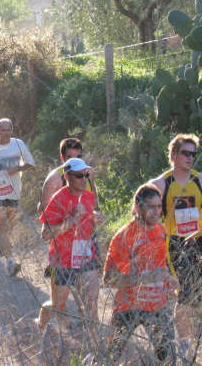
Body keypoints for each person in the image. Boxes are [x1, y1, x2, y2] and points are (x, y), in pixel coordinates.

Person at [103, 183, 178, 364]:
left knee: (168, 358)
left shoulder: (161, 231)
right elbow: (109, 279)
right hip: (128, 306)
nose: (156, 211)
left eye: (159, 206)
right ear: (138, 207)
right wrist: (144, 279)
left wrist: (169, 279)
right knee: (111, 356)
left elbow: (161, 267)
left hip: (157, 306)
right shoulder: (125, 236)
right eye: (151, 207)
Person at [36, 158, 105, 335]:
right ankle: (41, 324)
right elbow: (45, 235)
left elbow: (91, 222)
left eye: (86, 175)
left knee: (91, 304)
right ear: (67, 176)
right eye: (79, 175)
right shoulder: (58, 199)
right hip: (62, 260)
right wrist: (71, 221)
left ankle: (97, 352)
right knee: (58, 306)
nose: (84, 179)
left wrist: (97, 219)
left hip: (85, 257)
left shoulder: (89, 197)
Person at [150, 133, 202, 358]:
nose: (190, 158)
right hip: (176, 245)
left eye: (193, 154)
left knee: (197, 295)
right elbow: (143, 206)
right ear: (173, 154)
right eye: (185, 153)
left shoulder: (199, 180)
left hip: (199, 240)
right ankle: (184, 345)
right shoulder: (163, 183)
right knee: (185, 294)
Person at [0, 118, 35, 275]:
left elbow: (31, 163)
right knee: (4, 225)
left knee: (8, 226)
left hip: (13, 191)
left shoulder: (18, 144)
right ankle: (10, 262)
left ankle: (2, 246)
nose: (5, 133)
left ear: (12, 130)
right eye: (2, 130)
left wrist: (17, 168)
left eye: (8, 129)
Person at [39, 137, 98, 214]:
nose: (75, 161)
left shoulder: (89, 172)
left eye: (78, 157)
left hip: (87, 221)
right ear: (62, 158)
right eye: (70, 158)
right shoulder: (54, 179)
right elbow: (43, 211)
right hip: (64, 223)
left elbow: (94, 197)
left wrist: (96, 213)